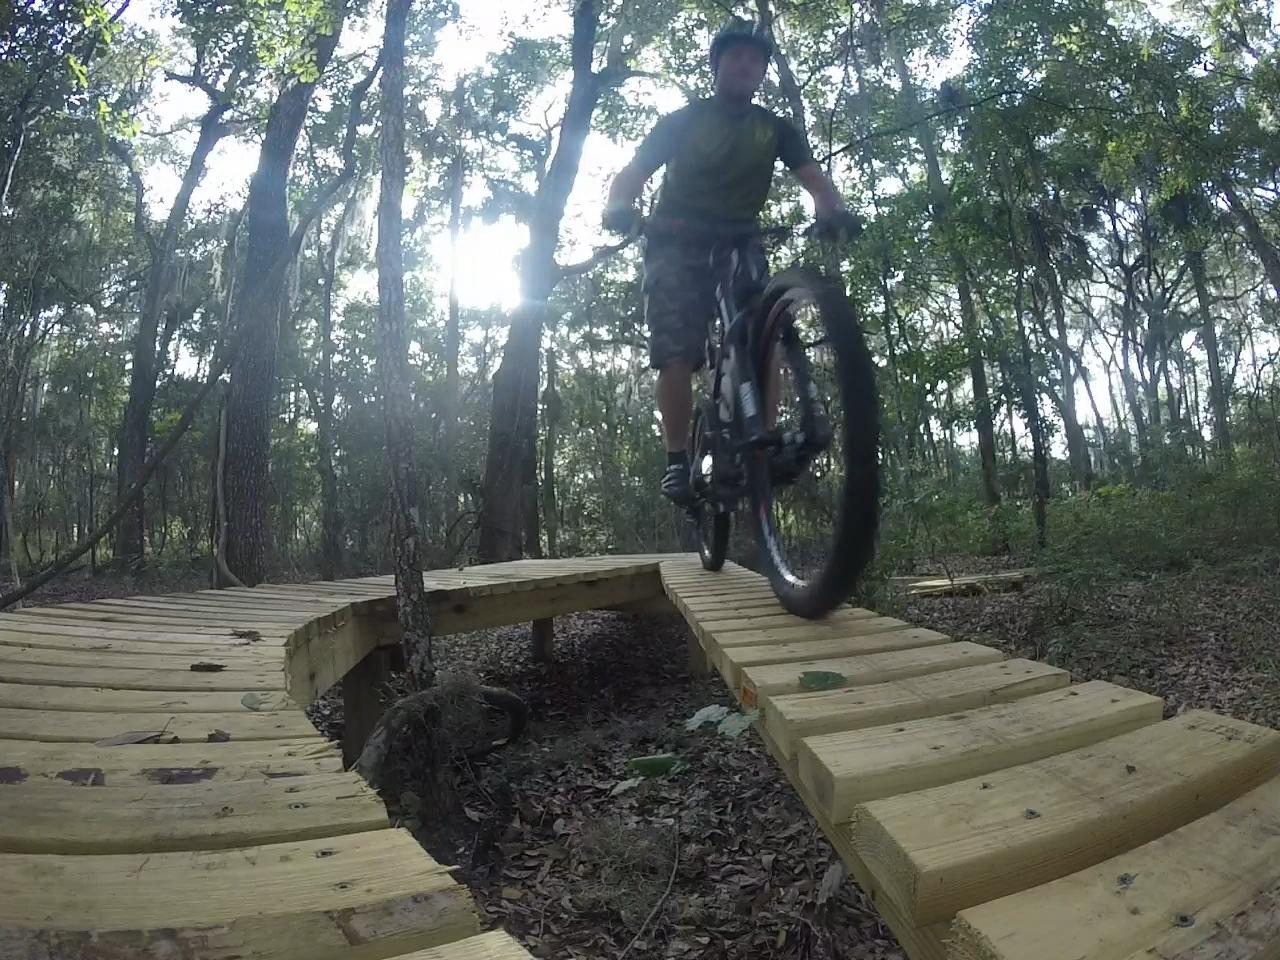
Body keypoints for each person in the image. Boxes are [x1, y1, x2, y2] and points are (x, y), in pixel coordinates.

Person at [602, 18, 859, 503]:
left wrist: (834, 213)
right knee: (676, 350)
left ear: (762, 71)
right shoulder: (683, 120)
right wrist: (620, 209)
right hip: (674, 240)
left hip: (741, 240)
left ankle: (760, 440)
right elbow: (632, 174)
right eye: (735, 57)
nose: (746, 65)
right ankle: (677, 458)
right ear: (716, 65)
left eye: (755, 60)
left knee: (764, 335)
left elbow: (816, 182)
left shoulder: (773, 129)